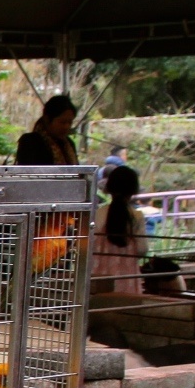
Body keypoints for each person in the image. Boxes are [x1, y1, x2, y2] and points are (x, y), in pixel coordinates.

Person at [91, 165, 144, 296]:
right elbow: (143, 248)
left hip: (99, 279)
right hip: (127, 281)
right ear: (133, 190)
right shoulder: (136, 216)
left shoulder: (97, 214)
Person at [15, 95, 79, 165]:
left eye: (70, 122)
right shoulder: (30, 142)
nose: (66, 127)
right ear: (47, 119)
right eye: (62, 122)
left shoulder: (69, 144)